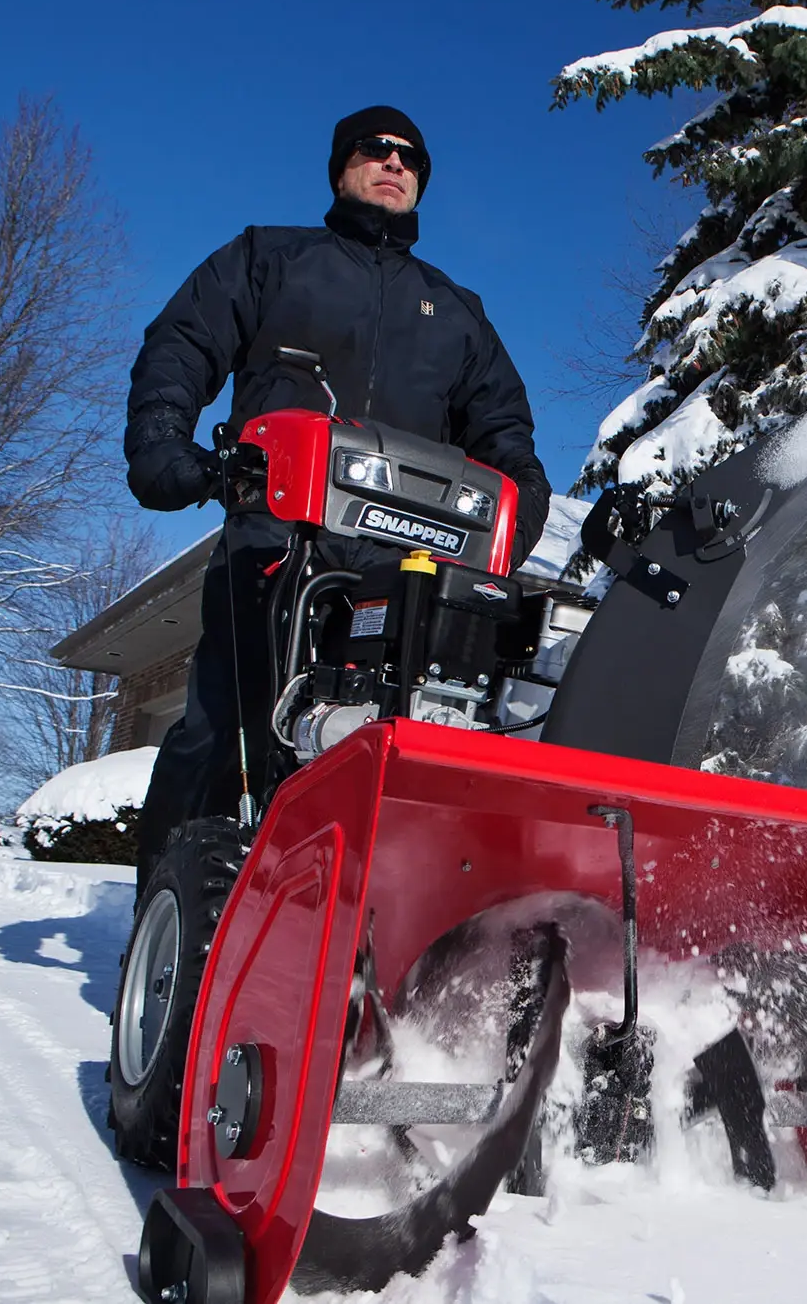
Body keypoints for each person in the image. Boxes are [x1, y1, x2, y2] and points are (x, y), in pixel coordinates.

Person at [123, 104, 551, 892]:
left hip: (401, 565)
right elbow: (181, 344)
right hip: (274, 540)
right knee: (222, 731)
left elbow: (508, 438)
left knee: (399, 741)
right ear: (341, 166)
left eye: (410, 158)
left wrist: (507, 531)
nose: (393, 164)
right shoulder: (272, 259)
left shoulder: (455, 312)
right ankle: (170, 917)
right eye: (374, 149)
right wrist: (165, 448)